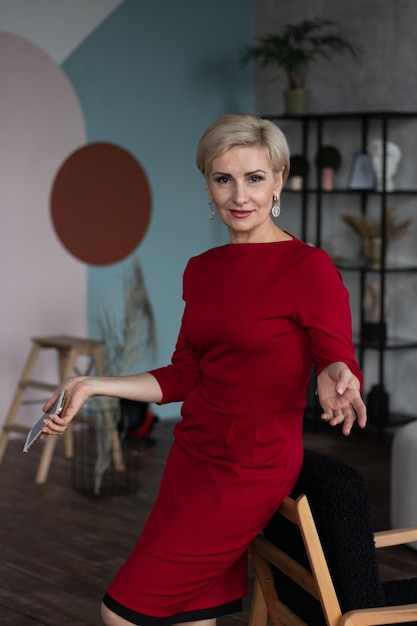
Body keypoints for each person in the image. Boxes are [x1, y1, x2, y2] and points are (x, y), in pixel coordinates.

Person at [42, 113, 367, 626]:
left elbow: (337, 358)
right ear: (209, 186)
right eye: (224, 179)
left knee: (120, 614)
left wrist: (338, 374)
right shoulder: (203, 269)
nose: (240, 195)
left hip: (252, 466)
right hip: (193, 457)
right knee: (193, 616)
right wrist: (92, 384)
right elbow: (184, 375)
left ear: (278, 181)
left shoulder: (308, 268)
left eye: (255, 178)